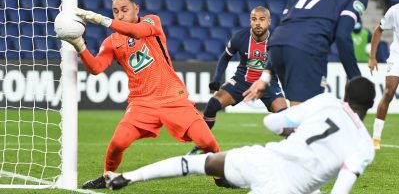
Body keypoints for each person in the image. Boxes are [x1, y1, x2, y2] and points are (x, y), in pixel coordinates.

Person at [57, 0, 220, 189]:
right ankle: (107, 175)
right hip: (141, 103)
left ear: (137, 9)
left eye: (124, 10)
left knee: (206, 141)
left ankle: (221, 176)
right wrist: (79, 45)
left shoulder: (152, 22)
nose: (120, 14)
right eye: (115, 11)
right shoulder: (112, 42)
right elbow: (96, 68)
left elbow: (136, 32)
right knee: (117, 143)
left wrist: (102, 20)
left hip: (173, 97)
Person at [104, 77, 376, 194]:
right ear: (369, 107)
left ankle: (130, 176)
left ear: (346, 96)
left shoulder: (326, 102)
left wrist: (289, 130)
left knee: (201, 164)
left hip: (263, 158)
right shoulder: (364, 147)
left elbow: (272, 122)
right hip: (286, 188)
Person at [243, 0, 367, 106]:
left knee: (301, 112)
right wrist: (355, 78)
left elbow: (287, 27)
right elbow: (342, 35)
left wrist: (266, 76)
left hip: (277, 45)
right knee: (305, 115)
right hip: (308, 48)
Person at [188, 6, 287, 155]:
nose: (258, 23)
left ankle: (291, 152)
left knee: (285, 116)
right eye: (254, 19)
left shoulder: (277, 41)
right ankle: (203, 145)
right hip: (242, 81)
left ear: (269, 21)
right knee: (212, 105)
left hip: (268, 83)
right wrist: (216, 79)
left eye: (262, 19)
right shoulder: (240, 37)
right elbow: (225, 57)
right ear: (250, 21)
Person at [368, 3, 399, 150]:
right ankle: (376, 138)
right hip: (397, 56)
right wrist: (372, 57)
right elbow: (378, 30)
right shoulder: (395, 10)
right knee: (389, 92)